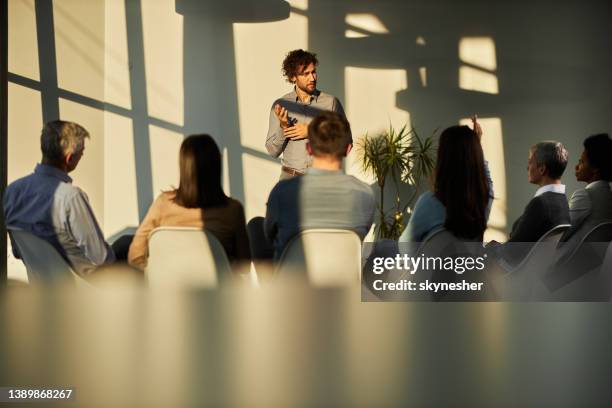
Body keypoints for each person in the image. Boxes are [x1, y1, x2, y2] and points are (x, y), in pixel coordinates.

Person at [3, 120, 115, 276]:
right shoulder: (71, 197)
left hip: (41, 286)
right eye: (82, 152)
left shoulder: (13, 191)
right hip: (83, 289)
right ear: (69, 159)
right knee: (127, 249)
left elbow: (17, 251)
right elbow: (100, 258)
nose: (82, 156)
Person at [260, 111, 374, 260]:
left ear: (309, 148)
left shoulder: (282, 191)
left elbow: (270, 237)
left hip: (293, 281)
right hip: (343, 280)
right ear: (348, 149)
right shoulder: (365, 193)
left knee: (256, 227)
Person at [127, 134, 251, 272]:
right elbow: (244, 266)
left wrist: (155, 276)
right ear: (216, 167)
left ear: (183, 168)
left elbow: (135, 255)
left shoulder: (163, 203)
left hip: (168, 289)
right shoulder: (233, 210)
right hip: (216, 292)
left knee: (123, 243)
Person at [399, 117, 493, 243]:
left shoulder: (429, 202)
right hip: (469, 262)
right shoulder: (484, 201)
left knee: (382, 247)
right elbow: (487, 180)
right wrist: (476, 145)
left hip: (432, 262)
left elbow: (406, 247)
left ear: (444, 160)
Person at [266, 49, 350, 180]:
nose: (312, 78)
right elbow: (272, 151)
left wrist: (312, 131)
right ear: (293, 77)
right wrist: (284, 128)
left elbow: (346, 141)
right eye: (306, 74)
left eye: (313, 72)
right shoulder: (281, 105)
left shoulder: (331, 103)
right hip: (290, 180)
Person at [489, 141, 570, 265]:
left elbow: (511, 253)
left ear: (542, 169)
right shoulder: (563, 201)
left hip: (513, 272)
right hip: (534, 273)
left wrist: (492, 249)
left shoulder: (540, 203)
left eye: (530, 162)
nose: (527, 167)